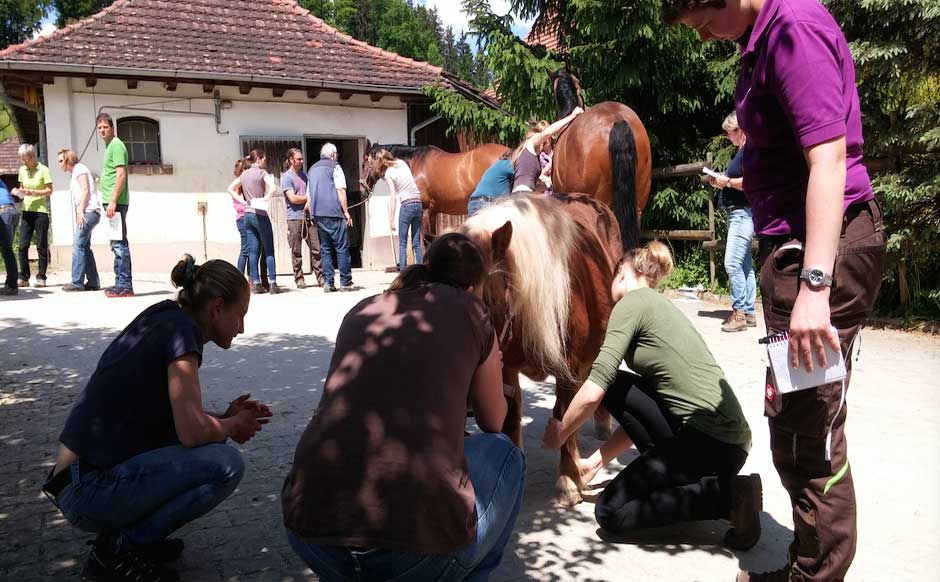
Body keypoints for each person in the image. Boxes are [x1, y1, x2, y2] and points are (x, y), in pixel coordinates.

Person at [666, 1, 888, 580]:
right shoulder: (761, 41)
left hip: (816, 255)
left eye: (705, 21)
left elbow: (829, 157)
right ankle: (806, 565)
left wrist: (815, 285)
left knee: (810, 431)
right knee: (793, 416)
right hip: (795, 254)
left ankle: (816, 575)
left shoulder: (793, 29)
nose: (709, 35)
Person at [282, 232, 525, 582]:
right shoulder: (472, 310)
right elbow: (494, 420)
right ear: (474, 285)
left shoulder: (363, 308)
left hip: (310, 535)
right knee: (506, 456)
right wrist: (495, 364)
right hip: (407, 558)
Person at [41, 255, 273, 582]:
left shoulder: (166, 318)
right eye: (241, 316)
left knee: (208, 449)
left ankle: (137, 542)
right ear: (218, 307)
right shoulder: (183, 335)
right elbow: (191, 432)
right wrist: (232, 426)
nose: (242, 328)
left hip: (74, 480)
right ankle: (118, 551)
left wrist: (223, 418)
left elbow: (171, 417)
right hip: (86, 489)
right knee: (226, 464)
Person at [542, 241, 759, 548]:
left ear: (620, 272)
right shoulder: (659, 306)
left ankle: (729, 498)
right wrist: (596, 461)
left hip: (709, 442)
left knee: (610, 511)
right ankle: (705, 485)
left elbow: (594, 390)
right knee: (616, 385)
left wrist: (561, 432)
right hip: (727, 443)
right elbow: (643, 409)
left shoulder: (631, 304)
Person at [708, 112, 756, 332]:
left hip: (743, 214)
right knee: (745, 264)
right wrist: (721, 180)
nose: (728, 137)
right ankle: (749, 311)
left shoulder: (749, 151)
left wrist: (726, 182)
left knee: (732, 263)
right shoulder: (742, 152)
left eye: (730, 133)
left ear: (740, 130)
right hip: (740, 213)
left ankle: (739, 314)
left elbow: (749, 182)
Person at [307, 142, 354, 292]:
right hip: (334, 212)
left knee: (325, 249)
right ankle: (345, 282)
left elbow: (309, 195)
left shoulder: (312, 169)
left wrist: (310, 213)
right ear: (333, 154)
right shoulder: (335, 167)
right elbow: (340, 190)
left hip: (318, 214)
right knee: (341, 248)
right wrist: (346, 211)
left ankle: (328, 282)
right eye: (336, 155)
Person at [96, 113, 134, 298]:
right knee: (115, 243)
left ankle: (125, 284)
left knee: (119, 244)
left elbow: (121, 175)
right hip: (112, 202)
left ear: (112, 128)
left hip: (116, 202)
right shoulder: (109, 146)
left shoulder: (117, 145)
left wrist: (112, 200)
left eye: (105, 127)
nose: (103, 130)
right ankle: (120, 282)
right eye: (100, 128)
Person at [370, 148, 424, 272]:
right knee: (416, 242)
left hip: (407, 205)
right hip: (418, 203)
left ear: (380, 162)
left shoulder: (388, 174)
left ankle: (403, 275)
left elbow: (393, 197)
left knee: (402, 243)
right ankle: (421, 273)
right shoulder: (402, 163)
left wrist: (391, 219)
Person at [59, 149, 103, 292]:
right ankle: (93, 282)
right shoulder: (75, 172)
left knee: (78, 245)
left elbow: (85, 189)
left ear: (68, 160)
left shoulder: (79, 169)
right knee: (84, 247)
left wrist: (80, 211)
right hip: (89, 212)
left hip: (88, 212)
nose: (59, 164)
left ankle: (77, 282)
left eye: (61, 160)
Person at [510, 109, 583, 194]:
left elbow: (532, 186)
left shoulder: (525, 155)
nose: (544, 144)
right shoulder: (530, 143)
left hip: (521, 194)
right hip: (523, 196)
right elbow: (547, 133)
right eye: (543, 142)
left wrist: (548, 185)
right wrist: (572, 116)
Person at [239, 148, 281, 294]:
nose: (265, 162)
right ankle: (272, 283)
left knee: (253, 251)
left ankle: (256, 283)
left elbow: (230, 188)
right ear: (259, 159)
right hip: (260, 214)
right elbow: (273, 187)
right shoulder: (262, 173)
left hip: (247, 213)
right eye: (264, 159)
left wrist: (242, 201)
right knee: (269, 249)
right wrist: (265, 198)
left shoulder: (243, 174)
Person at [281, 148, 323, 289]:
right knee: (296, 250)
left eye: (302, 158)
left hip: (308, 217)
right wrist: (308, 198)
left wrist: (308, 201)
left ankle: (321, 277)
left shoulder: (305, 176)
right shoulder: (286, 177)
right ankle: (299, 278)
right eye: (299, 159)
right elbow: (292, 198)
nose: (302, 161)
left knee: (316, 248)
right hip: (294, 218)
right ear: (292, 160)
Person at [15, 143, 53, 288]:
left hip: (41, 211)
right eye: (22, 159)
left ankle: (41, 277)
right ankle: (24, 277)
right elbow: (22, 189)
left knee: (41, 245)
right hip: (26, 210)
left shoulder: (44, 170)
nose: (23, 162)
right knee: (22, 245)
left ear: (32, 157)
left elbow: (50, 190)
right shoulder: (22, 170)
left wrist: (35, 192)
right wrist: (17, 192)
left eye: (25, 159)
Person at [467, 150, 514, 217]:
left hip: (477, 203)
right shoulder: (506, 164)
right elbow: (524, 173)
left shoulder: (498, 165)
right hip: (484, 204)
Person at [226, 158, 251, 278]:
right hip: (243, 217)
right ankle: (239, 277)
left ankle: (251, 277)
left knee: (251, 250)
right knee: (246, 249)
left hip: (244, 217)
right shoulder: (238, 184)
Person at [0, 178, 19, 296]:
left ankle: (12, 285)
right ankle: (10, 283)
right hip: (12, 211)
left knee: (6, 250)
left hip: (3, 212)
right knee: (7, 250)